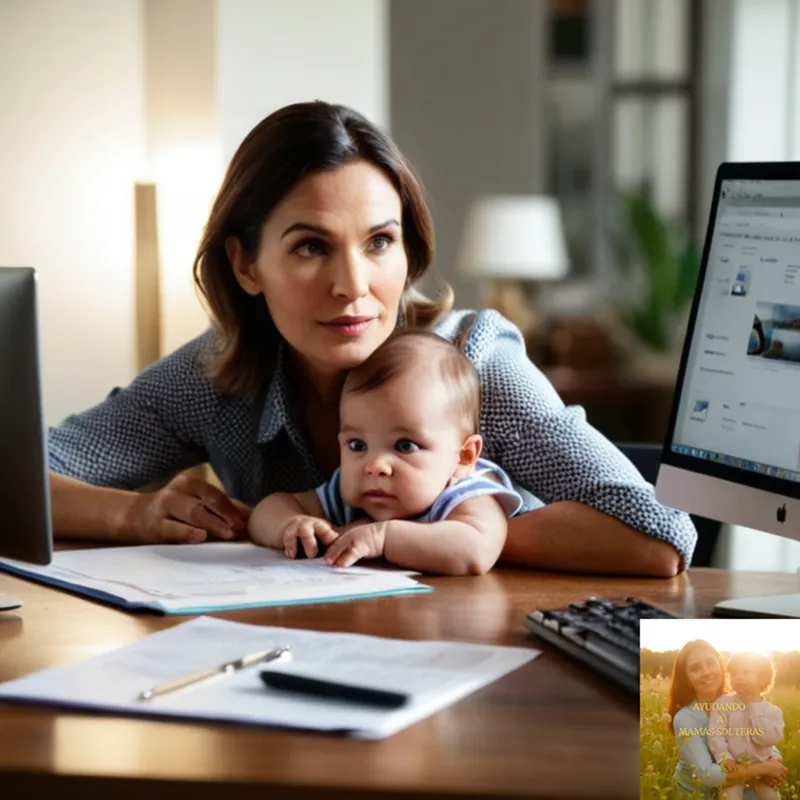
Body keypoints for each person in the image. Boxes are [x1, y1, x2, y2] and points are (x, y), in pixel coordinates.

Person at [47, 100, 695, 576]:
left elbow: (659, 535)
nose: (352, 284)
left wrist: (442, 531)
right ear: (247, 265)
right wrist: (135, 515)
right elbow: (24, 475)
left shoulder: (472, 364)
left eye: (379, 241)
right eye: (310, 247)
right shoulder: (214, 373)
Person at [248, 329, 528, 572]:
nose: (375, 465)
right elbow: (267, 510)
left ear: (464, 456)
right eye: (357, 445)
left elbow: (476, 550)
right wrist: (290, 525)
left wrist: (382, 538)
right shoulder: (353, 494)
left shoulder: (465, 492)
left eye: (405, 446)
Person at [668, 640, 786, 798]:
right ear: (687, 678)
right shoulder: (685, 719)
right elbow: (706, 775)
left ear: (721, 666)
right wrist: (765, 768)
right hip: (699, 793)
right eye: (695, 669)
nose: (706, 672)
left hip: (739, 782)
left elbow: (758, 737)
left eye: (711, 663)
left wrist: (775, 759)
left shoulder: (740, 700)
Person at [707, 652, 785, 800]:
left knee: (772, 797)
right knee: (729, 796)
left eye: (746, 672)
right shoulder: (723, 704)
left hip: (762, 769)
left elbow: (768, 739)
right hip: (734, 767)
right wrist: (724, 757)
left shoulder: (772, 712)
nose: (739, 677)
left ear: (762, 678)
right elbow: (716, 733)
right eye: (734, 673)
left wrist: (753, 707)